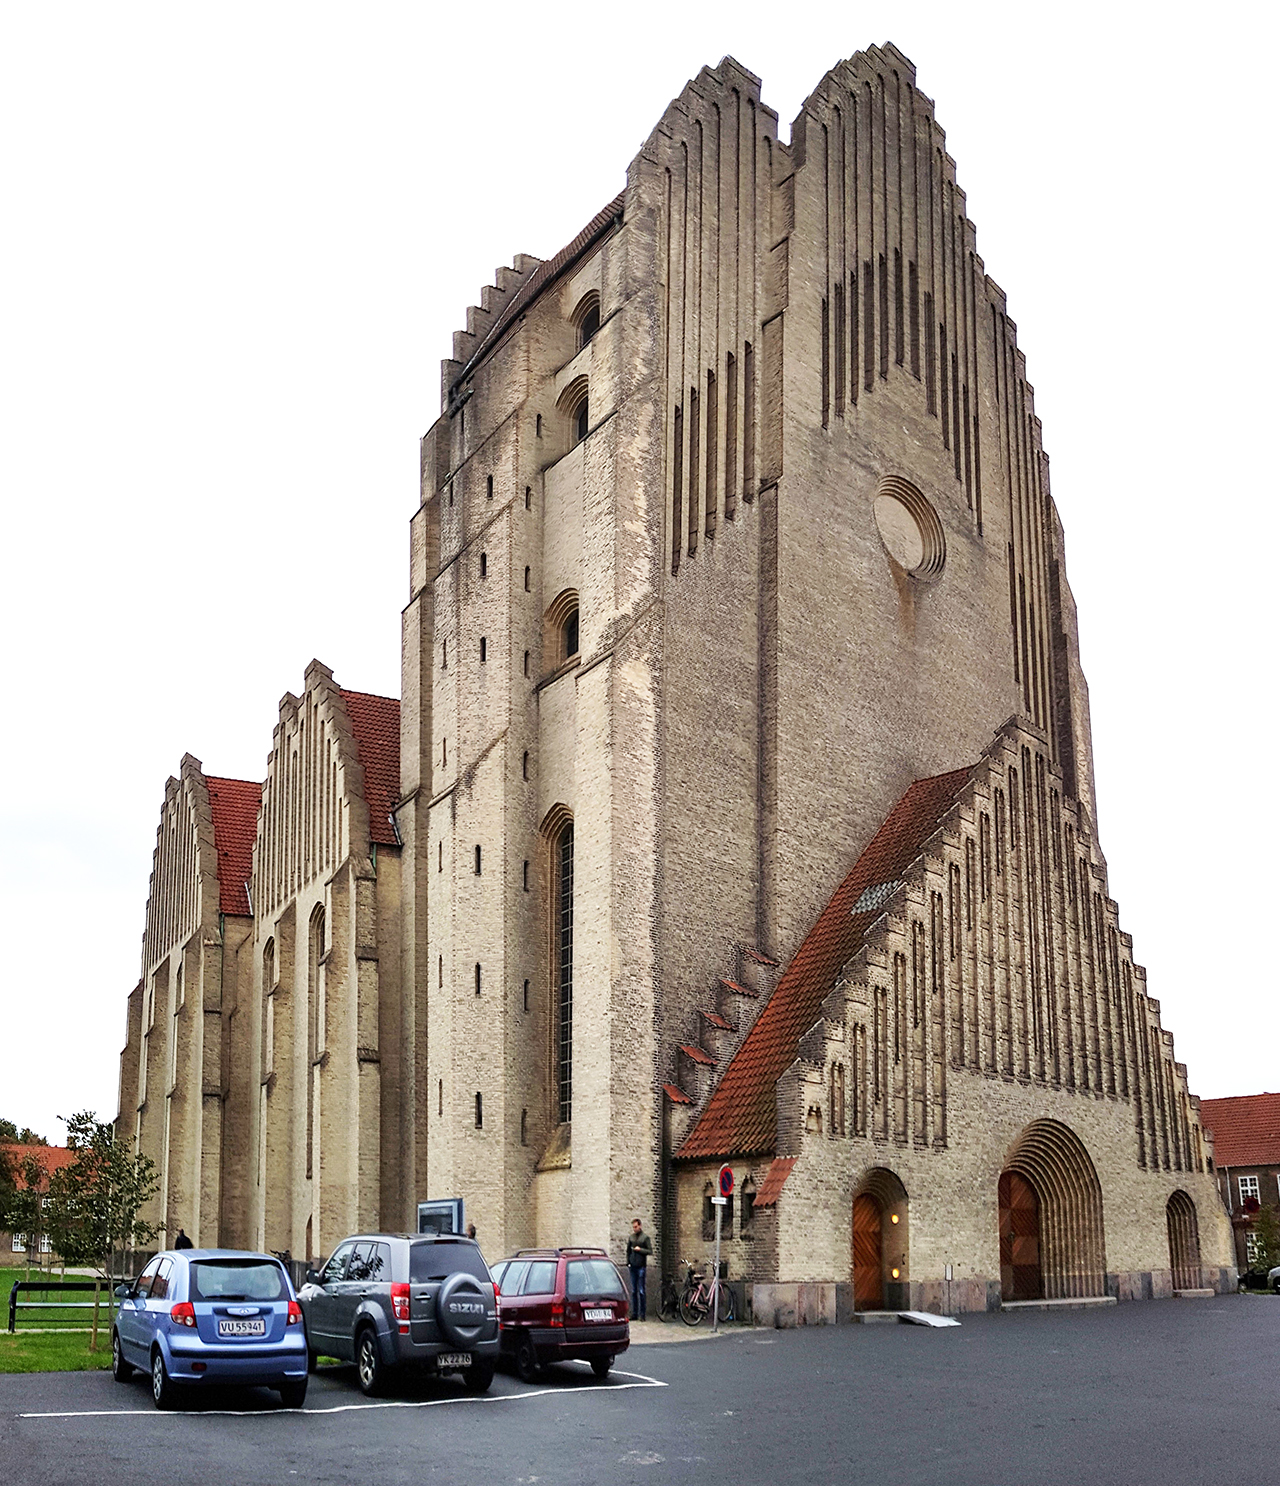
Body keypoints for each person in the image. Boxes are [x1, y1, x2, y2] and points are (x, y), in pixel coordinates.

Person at [625, 1218, 652, 1321]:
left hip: (641, 1266)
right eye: (633, 1227)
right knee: (634, 1290)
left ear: (640, 1226)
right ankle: (634, 1313)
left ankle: (642, 1314)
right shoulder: (631, 1238)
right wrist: (628, 1262)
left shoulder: (645, 1238)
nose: (634, 1229)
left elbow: (650, 1251)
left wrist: (640, 1250)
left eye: (636, 1227)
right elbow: (628, 1251)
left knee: (641, 1290)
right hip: (633, 1266)